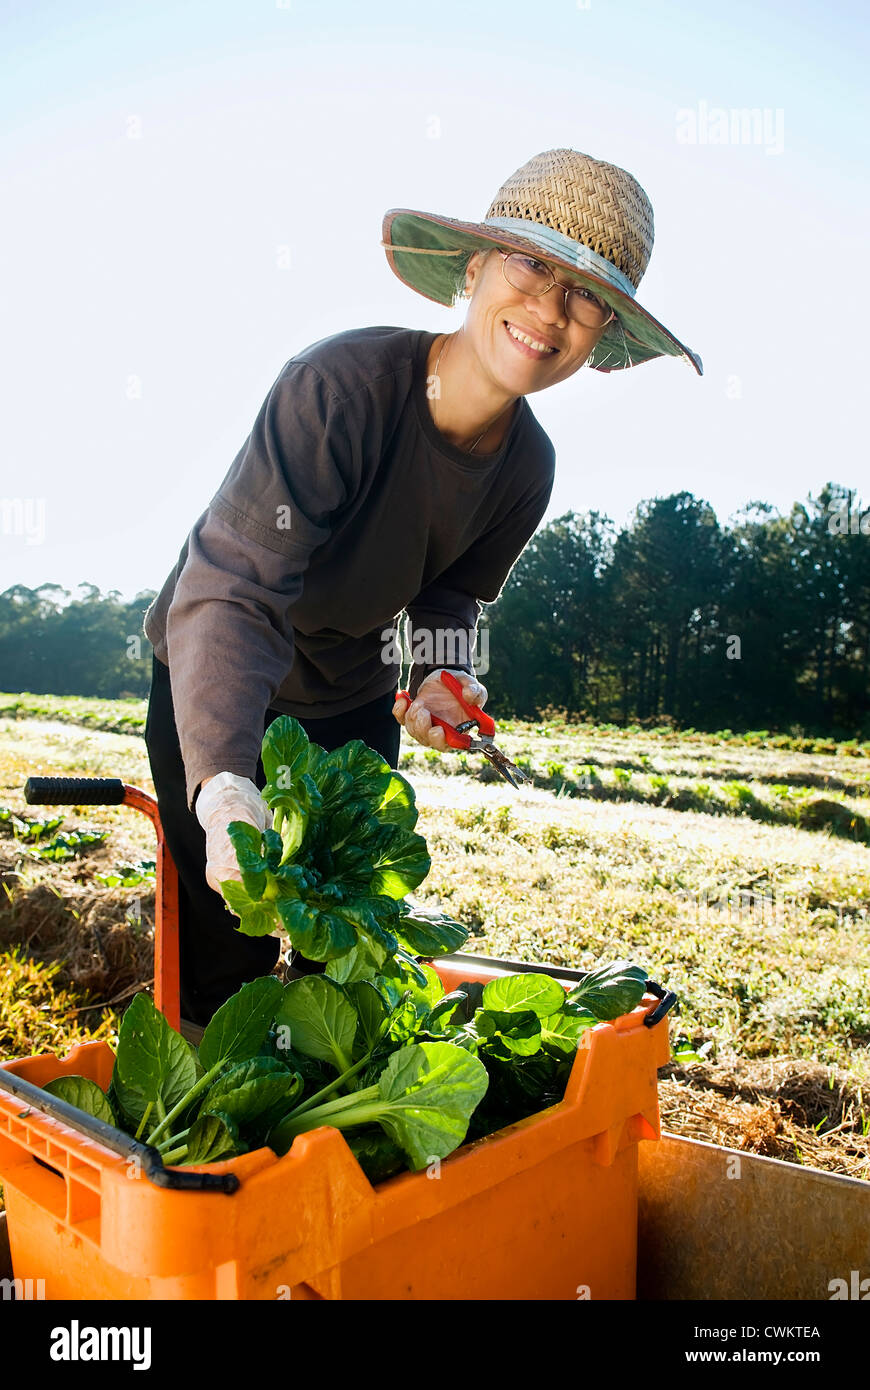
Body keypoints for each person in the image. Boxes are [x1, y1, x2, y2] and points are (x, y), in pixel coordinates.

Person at [142, 147, 702, 1027]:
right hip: (220, 684)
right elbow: (234, 589)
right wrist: (221, 784)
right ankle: (218, 1141)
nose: (551, 309)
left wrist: (436, 678)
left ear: (601, 337)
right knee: (230, 948)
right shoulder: (342, 390)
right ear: (474, 268)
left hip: (350, 700)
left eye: (587, 295)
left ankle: (326, 1144)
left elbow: (448, 597)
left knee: (345, 950)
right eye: (533, 264)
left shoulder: (527, 465)